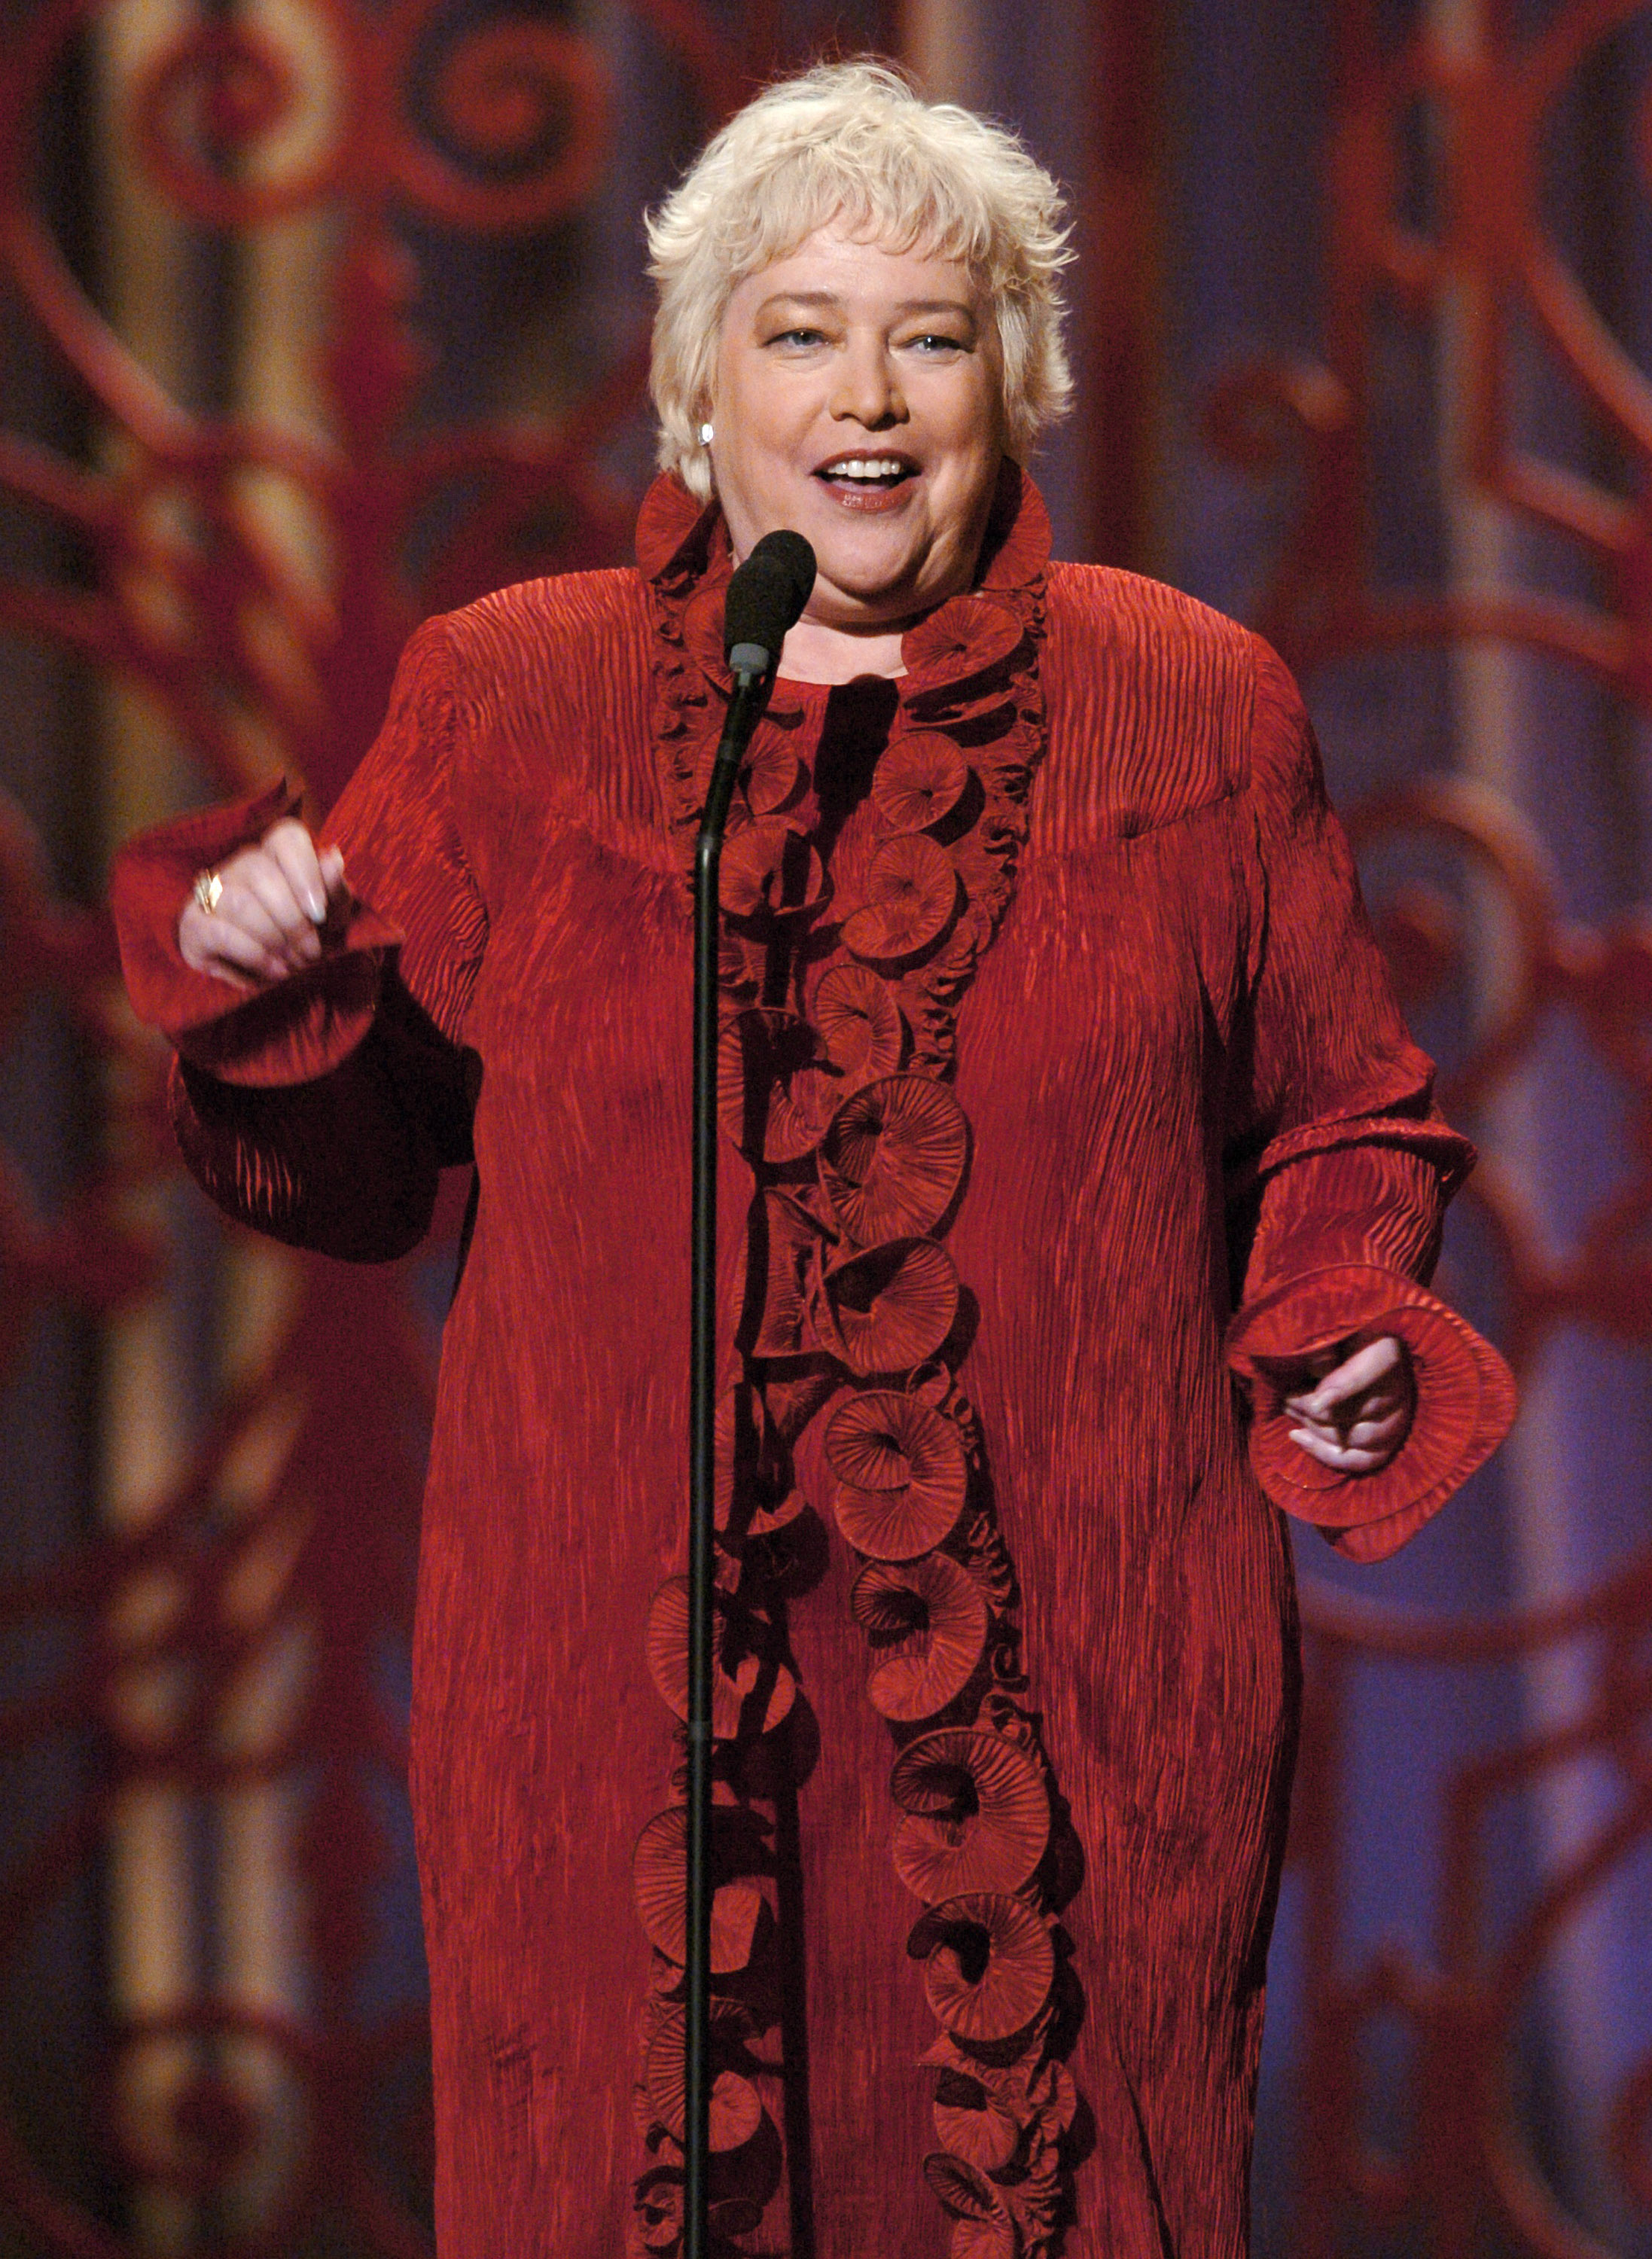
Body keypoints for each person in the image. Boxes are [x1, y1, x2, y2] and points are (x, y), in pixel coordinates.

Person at [111, 59, 1514, 2259]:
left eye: (931, 337)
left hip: (1075, 1706)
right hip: (622, 1702)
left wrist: (1330, 1315)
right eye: (798, 332)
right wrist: (282, 992)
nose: (866, 396)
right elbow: (364, 1180)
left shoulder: (1192, 704)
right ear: (697, 390)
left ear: (1010, 385)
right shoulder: (512, 700)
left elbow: (1343, 1111)